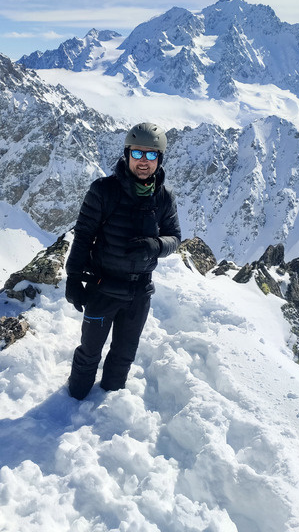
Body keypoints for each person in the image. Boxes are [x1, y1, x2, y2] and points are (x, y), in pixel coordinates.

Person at [64, 122, 182, 400]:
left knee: (124, 353)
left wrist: (156, 245)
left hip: (140, 291)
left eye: (151, 155)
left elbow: (174, 238)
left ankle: (109, 401)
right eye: (138, 154)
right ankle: (74, 399)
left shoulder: (164, 197)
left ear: (160, 159)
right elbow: (83, 235)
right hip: (103, 287)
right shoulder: (104, 191)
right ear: (127, 154)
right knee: (90, 350)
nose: (144, 161)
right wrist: (73, 277)